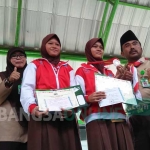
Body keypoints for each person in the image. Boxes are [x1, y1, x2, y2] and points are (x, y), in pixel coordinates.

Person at [20, 34, 82, 150]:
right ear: (43, 46)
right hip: (42, 116)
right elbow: (27, 88)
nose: (54, 46)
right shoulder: (35, 65)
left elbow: (75, 91)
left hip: (66, 117)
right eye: (50, 43)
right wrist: (33, 108)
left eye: (57, 44)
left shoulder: (67, 68)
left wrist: (73, 110)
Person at [75, 37, 134, 150]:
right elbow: (76, 98)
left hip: (119, 117)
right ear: (88, 50)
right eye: (95, 46)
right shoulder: (81, 70)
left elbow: (120, 94)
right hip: (97, 118)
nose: (99, 49)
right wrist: (88, 98)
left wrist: (122, 80)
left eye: (101, 47)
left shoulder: (109, 72)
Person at [120, 30, 150, 150]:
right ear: (122, 53)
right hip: (134, 120)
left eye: (135, 43)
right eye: (127, 45)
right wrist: (122, 81)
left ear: (141, 48)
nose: (132, 47)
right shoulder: (120, 72)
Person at [0, 47, 28, 150]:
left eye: (21, 55)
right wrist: (9, 80)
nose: (18, 58)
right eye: (14, 56)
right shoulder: (2, 76)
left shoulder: (34, 77)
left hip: (31, 131)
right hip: (9, 132)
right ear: (8, 59)